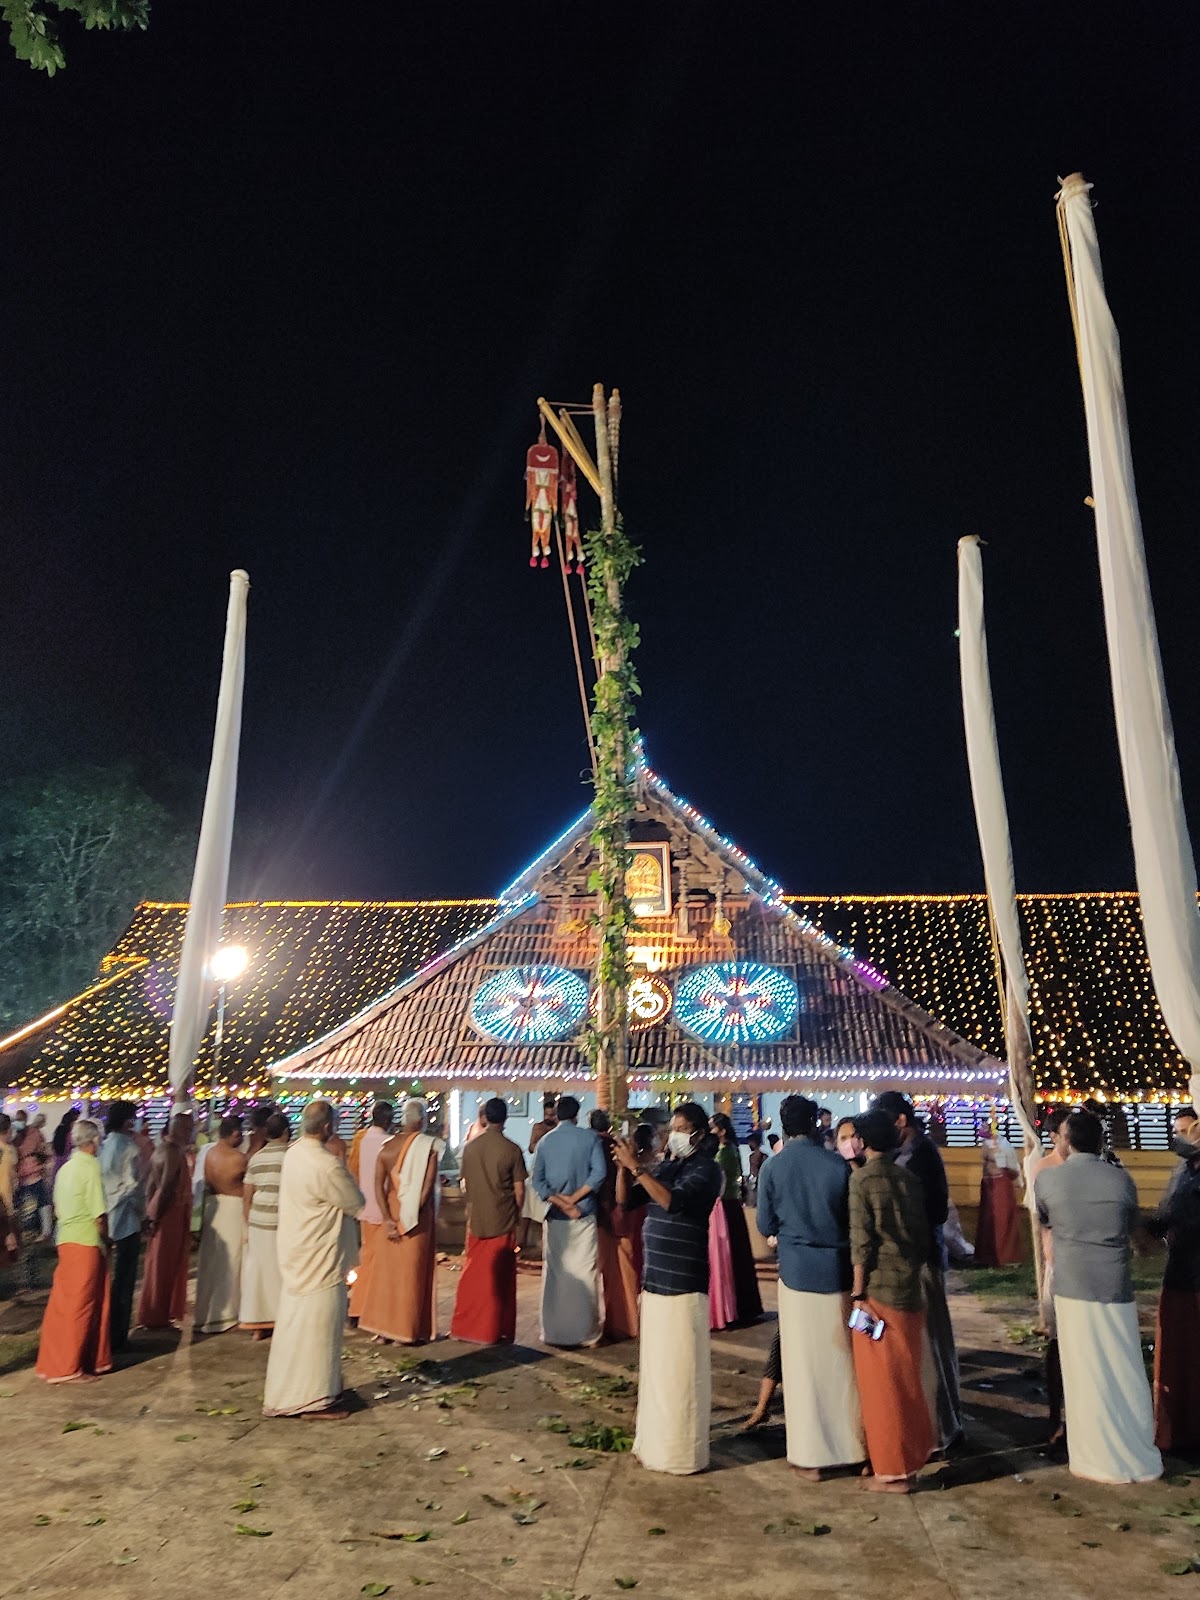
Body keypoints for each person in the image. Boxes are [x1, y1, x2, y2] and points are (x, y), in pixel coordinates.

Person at [1034, 1109, 1161, 1484]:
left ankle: (1093, 1454)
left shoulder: (1050, 1180)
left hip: (1073, 1287)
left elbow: (1046, 1220)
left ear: (1067, 1141)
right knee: (1124, 1368)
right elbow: (1134, 1230)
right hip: (1115, 1286)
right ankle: (1132, 1446)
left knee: (1083, 1373)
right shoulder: (1122, 1181)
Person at [756, 1094, 864, 1478]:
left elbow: (765, 1226)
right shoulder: (838, 1166)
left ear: (784, 1126)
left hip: (797, 1275)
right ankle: (852, 1448)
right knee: (841, 1367)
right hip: (836, 1274)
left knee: (803, 1372)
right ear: (817, 1123)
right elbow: (855, 1223)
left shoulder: (773, 1168)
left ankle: (813, 1459)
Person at [616, 1103, 723, 1474]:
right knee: (657, 1371)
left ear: (698, 1134)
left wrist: (637, 1168)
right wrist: (623, 1167)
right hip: (656, 1280)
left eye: (680, 1128)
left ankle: (681, 1454)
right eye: (671, 1128)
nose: (672, 1134)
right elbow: (626, 1201)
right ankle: (653, 1444)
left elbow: (672, 1202)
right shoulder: (667, 1166)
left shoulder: (707, 1170)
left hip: (684, 1282)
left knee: (680, 1373)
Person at [849, 1109, 934, 1492]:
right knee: (907, 1379)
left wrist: (857, 1292)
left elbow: (861, 1242)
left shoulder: (861, 1181)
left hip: (878, 1292)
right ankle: (912, 1457)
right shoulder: (909, 1179)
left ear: (863, 1143)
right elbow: (922, 1235)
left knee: (881, 1385)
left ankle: (892, 1469)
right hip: (911, 1289)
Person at [263, 1100, 365, 1419]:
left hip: (298, 1252)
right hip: (320, 1259)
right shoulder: (326, 1164)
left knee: (295, 1327)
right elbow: (356, 1201)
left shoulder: (293, 1153)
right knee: (319, 1331)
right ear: (327, 1127)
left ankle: (296, 1394)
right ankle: (313, 1398)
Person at [874, 1091, 963, 1449]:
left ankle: (940, 1429)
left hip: (922, 1259)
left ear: (900, 1121)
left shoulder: (920, 1155)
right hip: (913, 1260)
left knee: (931, 1348)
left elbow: (935, 1211)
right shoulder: (906, 1154)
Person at [36, 1119, 112, 1384]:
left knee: (63, 1303)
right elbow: (99, 1215)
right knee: (81, 1306)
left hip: (66, 1239)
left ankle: (56, 1363)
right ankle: (69, 1367)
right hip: (85, 1241)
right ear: (94, 1141)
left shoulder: (65, 1168)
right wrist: (108, 1240)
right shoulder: (90, 1168)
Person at [358, 1098, 440, 1345]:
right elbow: (426, 1187)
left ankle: (382, 1329)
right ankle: (405, 1331)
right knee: (410, 1275)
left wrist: (388, 1220)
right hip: (415, 1217)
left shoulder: (387, 1146)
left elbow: (378, 1185)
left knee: (386, 1274)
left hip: (391, 1212)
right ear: (422, 1121)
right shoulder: (429, 1147)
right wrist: (412, 1216)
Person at [451, 1096, 527, 1344]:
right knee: (499, 1280)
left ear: (484, 1118)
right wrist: (518, 1217)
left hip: (476, 1219)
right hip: (502, 1219)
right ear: (505, 1119)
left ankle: (467, 1328)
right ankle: (496, 1330)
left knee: (473, 1276)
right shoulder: (512, 1149)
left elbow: (465, 1185)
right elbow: (519, 1191)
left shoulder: (470, 1148)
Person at [532, 1094, 606, 1347]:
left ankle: (554, 1332)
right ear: (577, 1114)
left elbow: (538, 1181)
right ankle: (585, 1333)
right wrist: (574, 1200)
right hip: (583, 1214)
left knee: (555, 1274)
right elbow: (599, 1174)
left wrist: (561, 1202)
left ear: (556, 1114)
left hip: (555, 1216)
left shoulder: (544, 1141)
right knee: (585, 1273)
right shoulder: (590, 1138)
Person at [1149, 1111, 1200, 1454]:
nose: (1180, 1138)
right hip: (1180, 1272)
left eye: (1186, 1132)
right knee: (1178, 1357)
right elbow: (1165, 1212)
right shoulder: (1181, 1171)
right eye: (1176, 1132)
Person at [1028, 1107, 1070, 1445]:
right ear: (1054, 1136)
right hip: (1059, 1266)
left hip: (1088, 1267)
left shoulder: (1096, 1166)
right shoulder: (1044, 1169)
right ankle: (1056, 1415)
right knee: (1057, 1345)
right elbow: (1041, 1220)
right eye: (1065, 1134)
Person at [137, 1109, 194, 1330]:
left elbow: (151, 1184)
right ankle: (156, 1314)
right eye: (188, 1129)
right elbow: (167, 1185)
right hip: (169, 1212)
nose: (190, 1133)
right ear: (176, 1129)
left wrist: (149, 1213)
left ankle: (159, 1312)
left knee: (160, 1263)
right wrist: (157, 1216)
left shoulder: (162, 1149)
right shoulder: (171, 1151)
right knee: (163, 1265)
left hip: (163, 1209)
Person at [193, 1114, 247, 1334]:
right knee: (231, 1263)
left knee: (210, 1263)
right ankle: (224, 1315)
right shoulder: (239, 1159)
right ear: (234, 1134)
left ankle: (204, 1314)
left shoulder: (208, 1155)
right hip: (233, 1207)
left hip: (213, 1207)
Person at [99, 1100, 145, 1353]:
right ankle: (118, 1336)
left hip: (105, 1220)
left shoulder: (102, 1148)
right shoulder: (130, 1149)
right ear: (128, 1121)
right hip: (127, 1222)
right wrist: (142, 1213)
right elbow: (134, 1187)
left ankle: (107, 1333)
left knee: (109, 1280)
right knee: (124, 1282)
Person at [240, 1110, 291, 1338]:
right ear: (287, 1132)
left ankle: (257, 1325)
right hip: (283, 1222)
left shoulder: (256, 1158)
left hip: (258, 1222)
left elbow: (247, 1195)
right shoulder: (291, 1156)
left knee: (258, 1275)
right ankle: (282, 1319)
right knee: (282, 1274)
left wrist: (247, 1224)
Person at [589, 1109, 639, 1341]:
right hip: (623, 1214)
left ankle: (609, 1322)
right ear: (609, 1126)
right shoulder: (619, 1145)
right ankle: (630, 1323)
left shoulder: (589, 1145)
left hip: (601, 1215)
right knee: (626, 1271)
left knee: (604, 1273)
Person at [712, 1111, 762, 1326]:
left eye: (712, 1127)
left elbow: (720, 1180)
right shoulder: (731, 1149)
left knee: (729, 1257)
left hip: (724, 1205)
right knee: (737, 1256)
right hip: (731, 1204)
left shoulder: (723, 1152)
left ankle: (733, 1306)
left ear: (721, 1131)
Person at [347, 1102, 393, 1322]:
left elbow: (353, 1170)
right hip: (384, 1209)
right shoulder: (388, 1143)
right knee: (380, 1264)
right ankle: (370, 1309)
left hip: (365, 1207)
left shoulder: (361, 1140)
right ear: (387, 1120)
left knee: (367, 1259)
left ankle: (358, 1308)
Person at [974, 1126, 1024, 1267]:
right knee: (988, 1219)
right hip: (988, 1184)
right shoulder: (986, 1144)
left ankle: (1005, 1255)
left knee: (1003, 1219)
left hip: (1001, 1184)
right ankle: (986, 1255)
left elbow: (1012, 1167)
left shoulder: (1004, 1144)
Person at [520, 1094, 557, 1248]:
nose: (549, 1117)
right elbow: (530, 1148)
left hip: (552, 1173)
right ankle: (521, 1243)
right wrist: (541, 1143)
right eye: (546, 1114)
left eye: (552, 1115)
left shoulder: (559, 1129)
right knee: (527, 1210)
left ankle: (545, 1244)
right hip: (537, 1169)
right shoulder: (538, 1127)